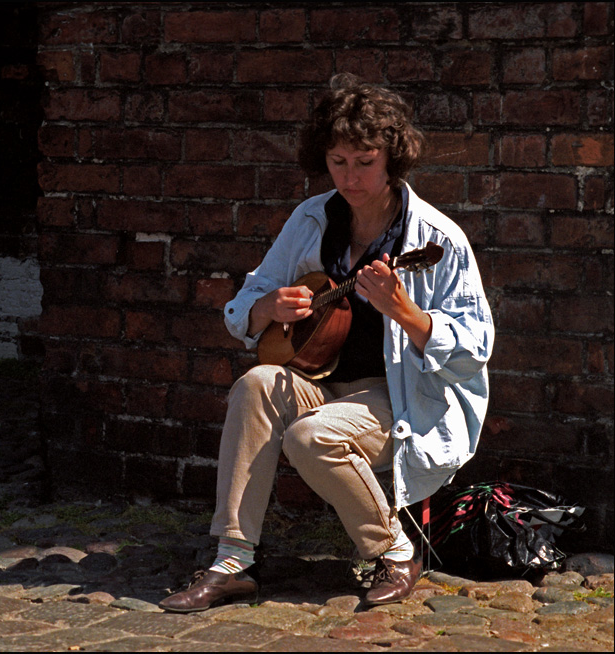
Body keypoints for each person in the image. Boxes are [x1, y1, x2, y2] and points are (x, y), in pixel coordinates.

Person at [160, 74, 494, 612]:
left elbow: (474, 349)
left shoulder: (437, 239)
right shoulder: (312, 218)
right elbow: (245, 304)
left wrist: (405, 311)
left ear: (392, 159)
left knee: (312, 436)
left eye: (365, 161)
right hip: (321, 382)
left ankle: (395, 552)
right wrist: (268, 308)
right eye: (338, 161)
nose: (350, 177)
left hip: (402, 397)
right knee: (255, 385)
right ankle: (233, 561)